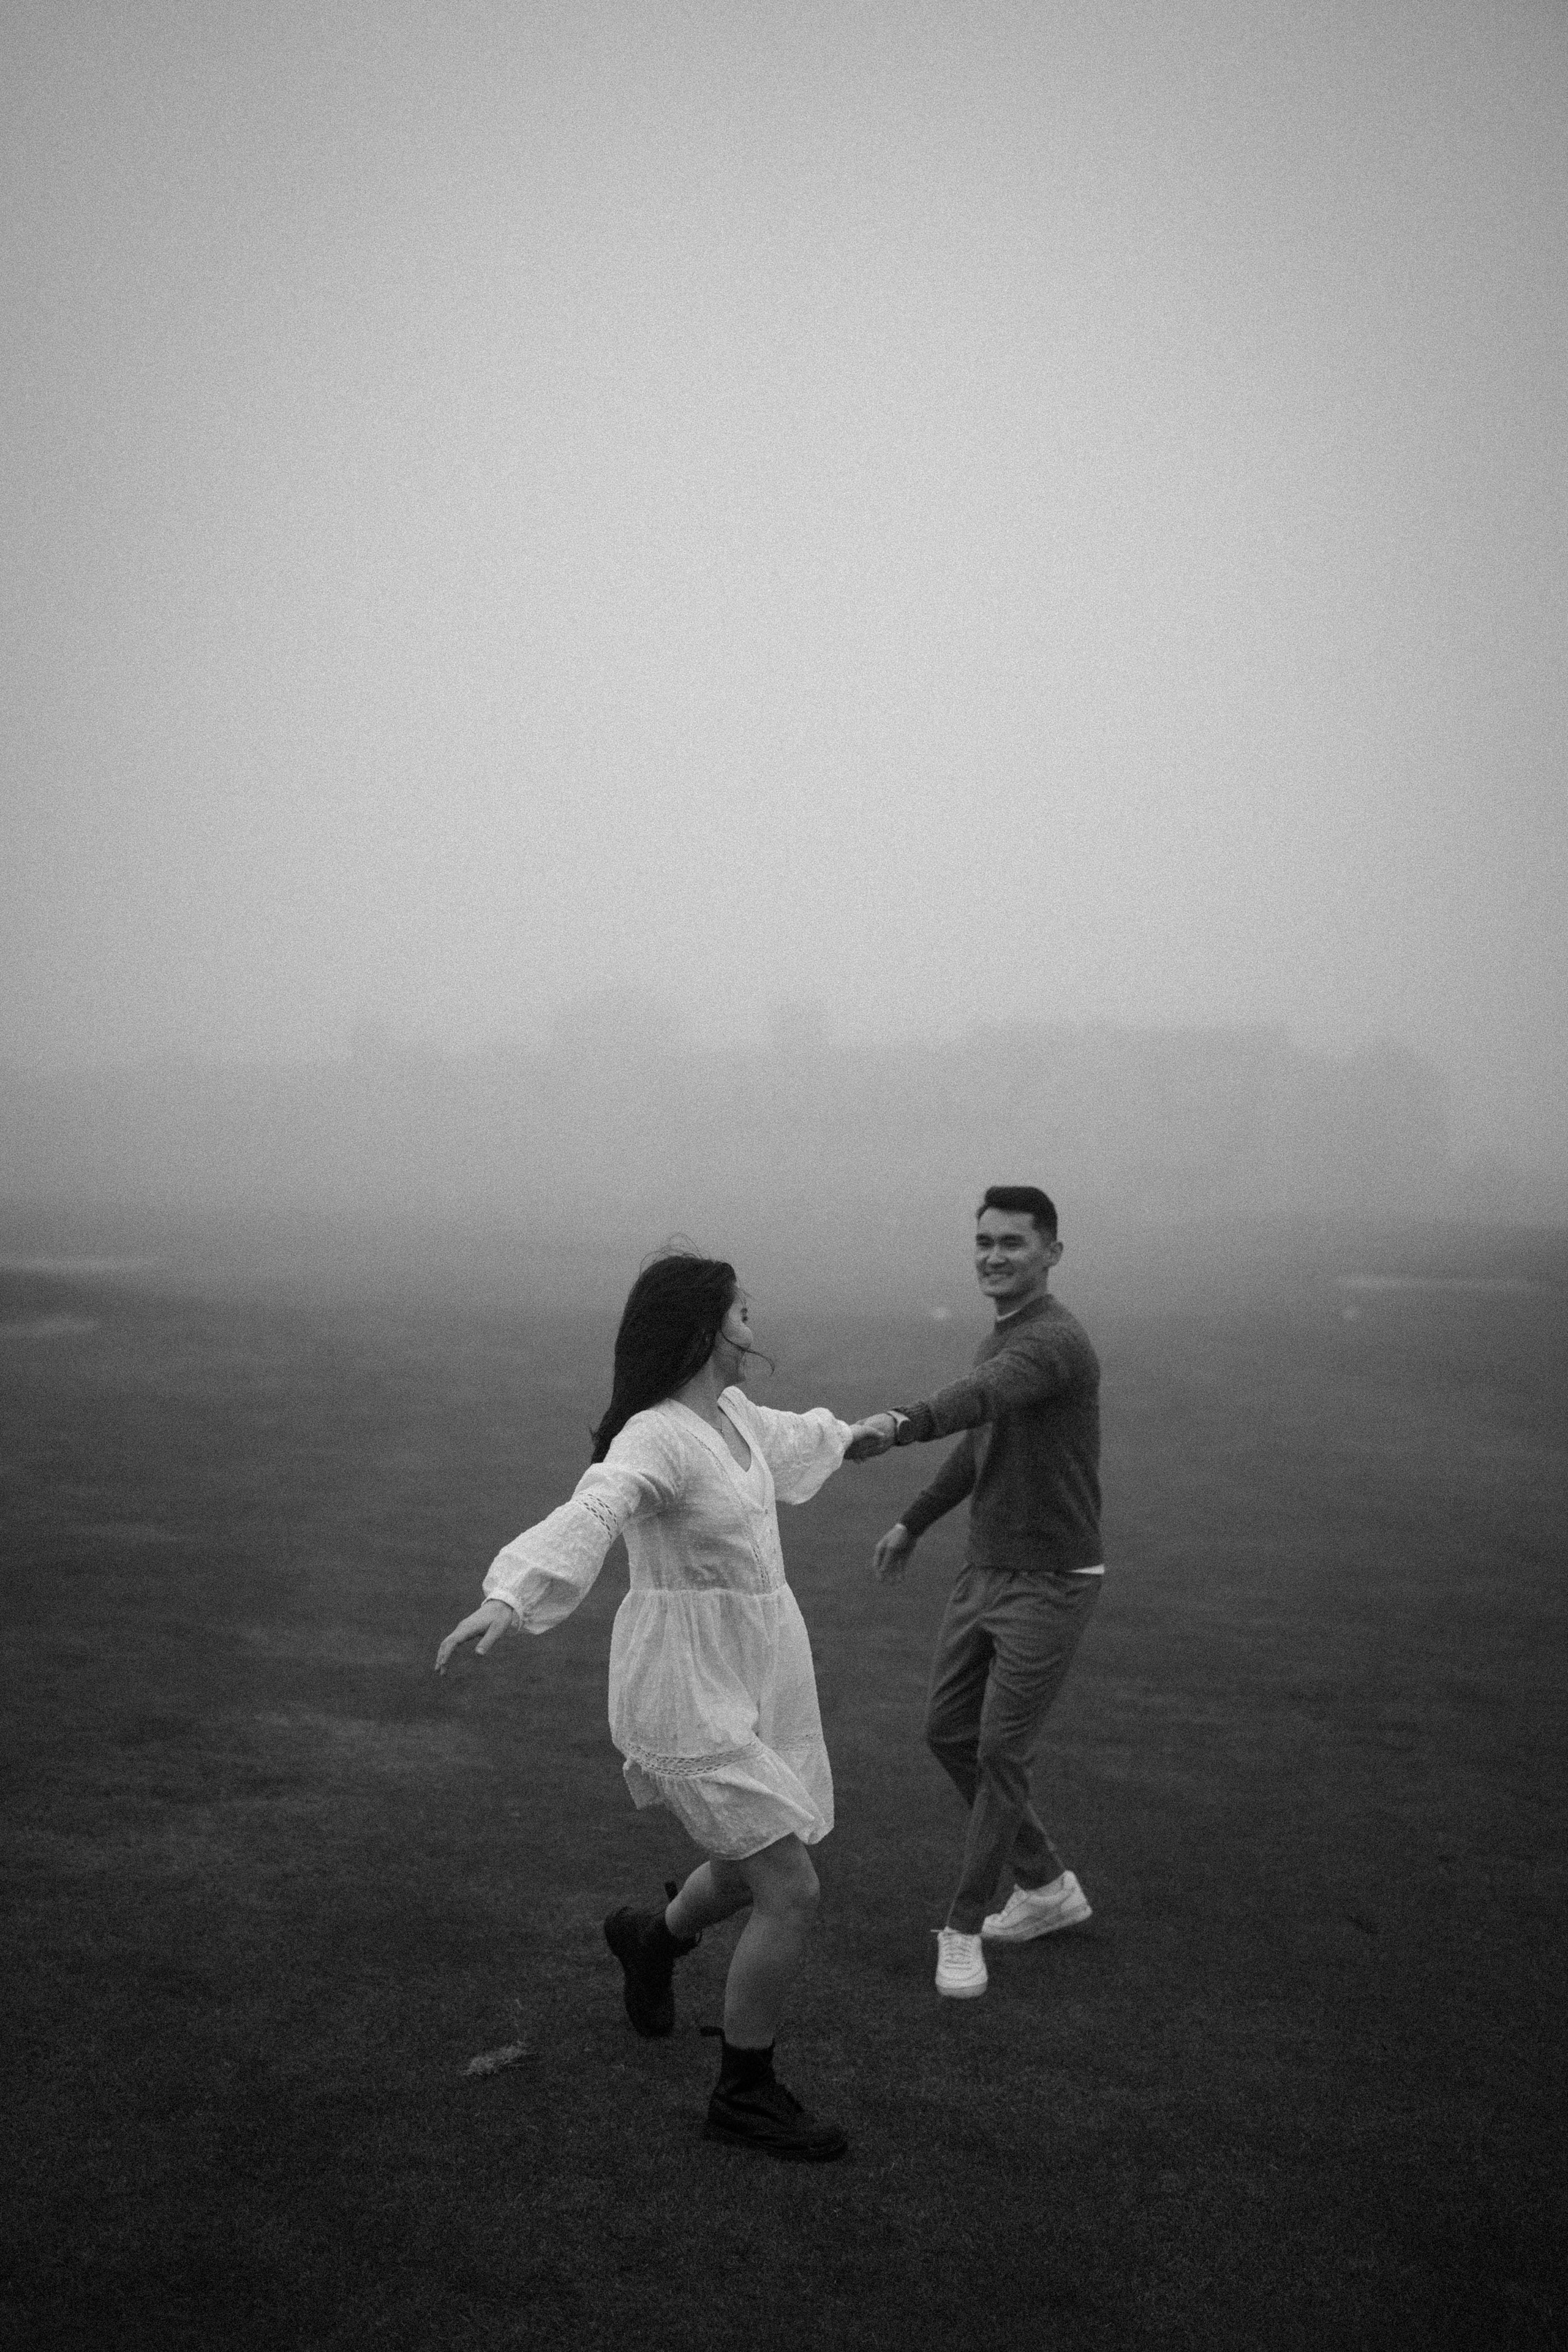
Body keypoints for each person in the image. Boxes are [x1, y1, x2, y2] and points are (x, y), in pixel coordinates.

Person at [435, 1250, 884, 2160]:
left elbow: (793, 1437)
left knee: (753, 1853)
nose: (754, 1331)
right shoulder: (654, 1436)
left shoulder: (731, 1416)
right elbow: (599, 1504)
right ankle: (744, 2096)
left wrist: (863, 1434)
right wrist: (511, 1595)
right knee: (790, 1888)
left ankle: (650, 1938)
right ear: (704, 1329)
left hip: (755, 1670)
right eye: (743, 1314)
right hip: (682, 1689)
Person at [851, 1185, 1102, 2001]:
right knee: (947, 1732)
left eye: (1014, 1243)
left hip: (1053, 1579)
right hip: (986, 1571)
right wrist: (915, 1521)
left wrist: (900, 1421)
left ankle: (963, 1927)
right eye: (985, 1241)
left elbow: (978, 1403)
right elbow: (984, 1437)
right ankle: (1047, 1888)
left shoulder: (1053, 1343)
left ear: (1051, 1254)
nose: (995, 1255)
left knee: (1000, 1751)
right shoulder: (1002, 1343)